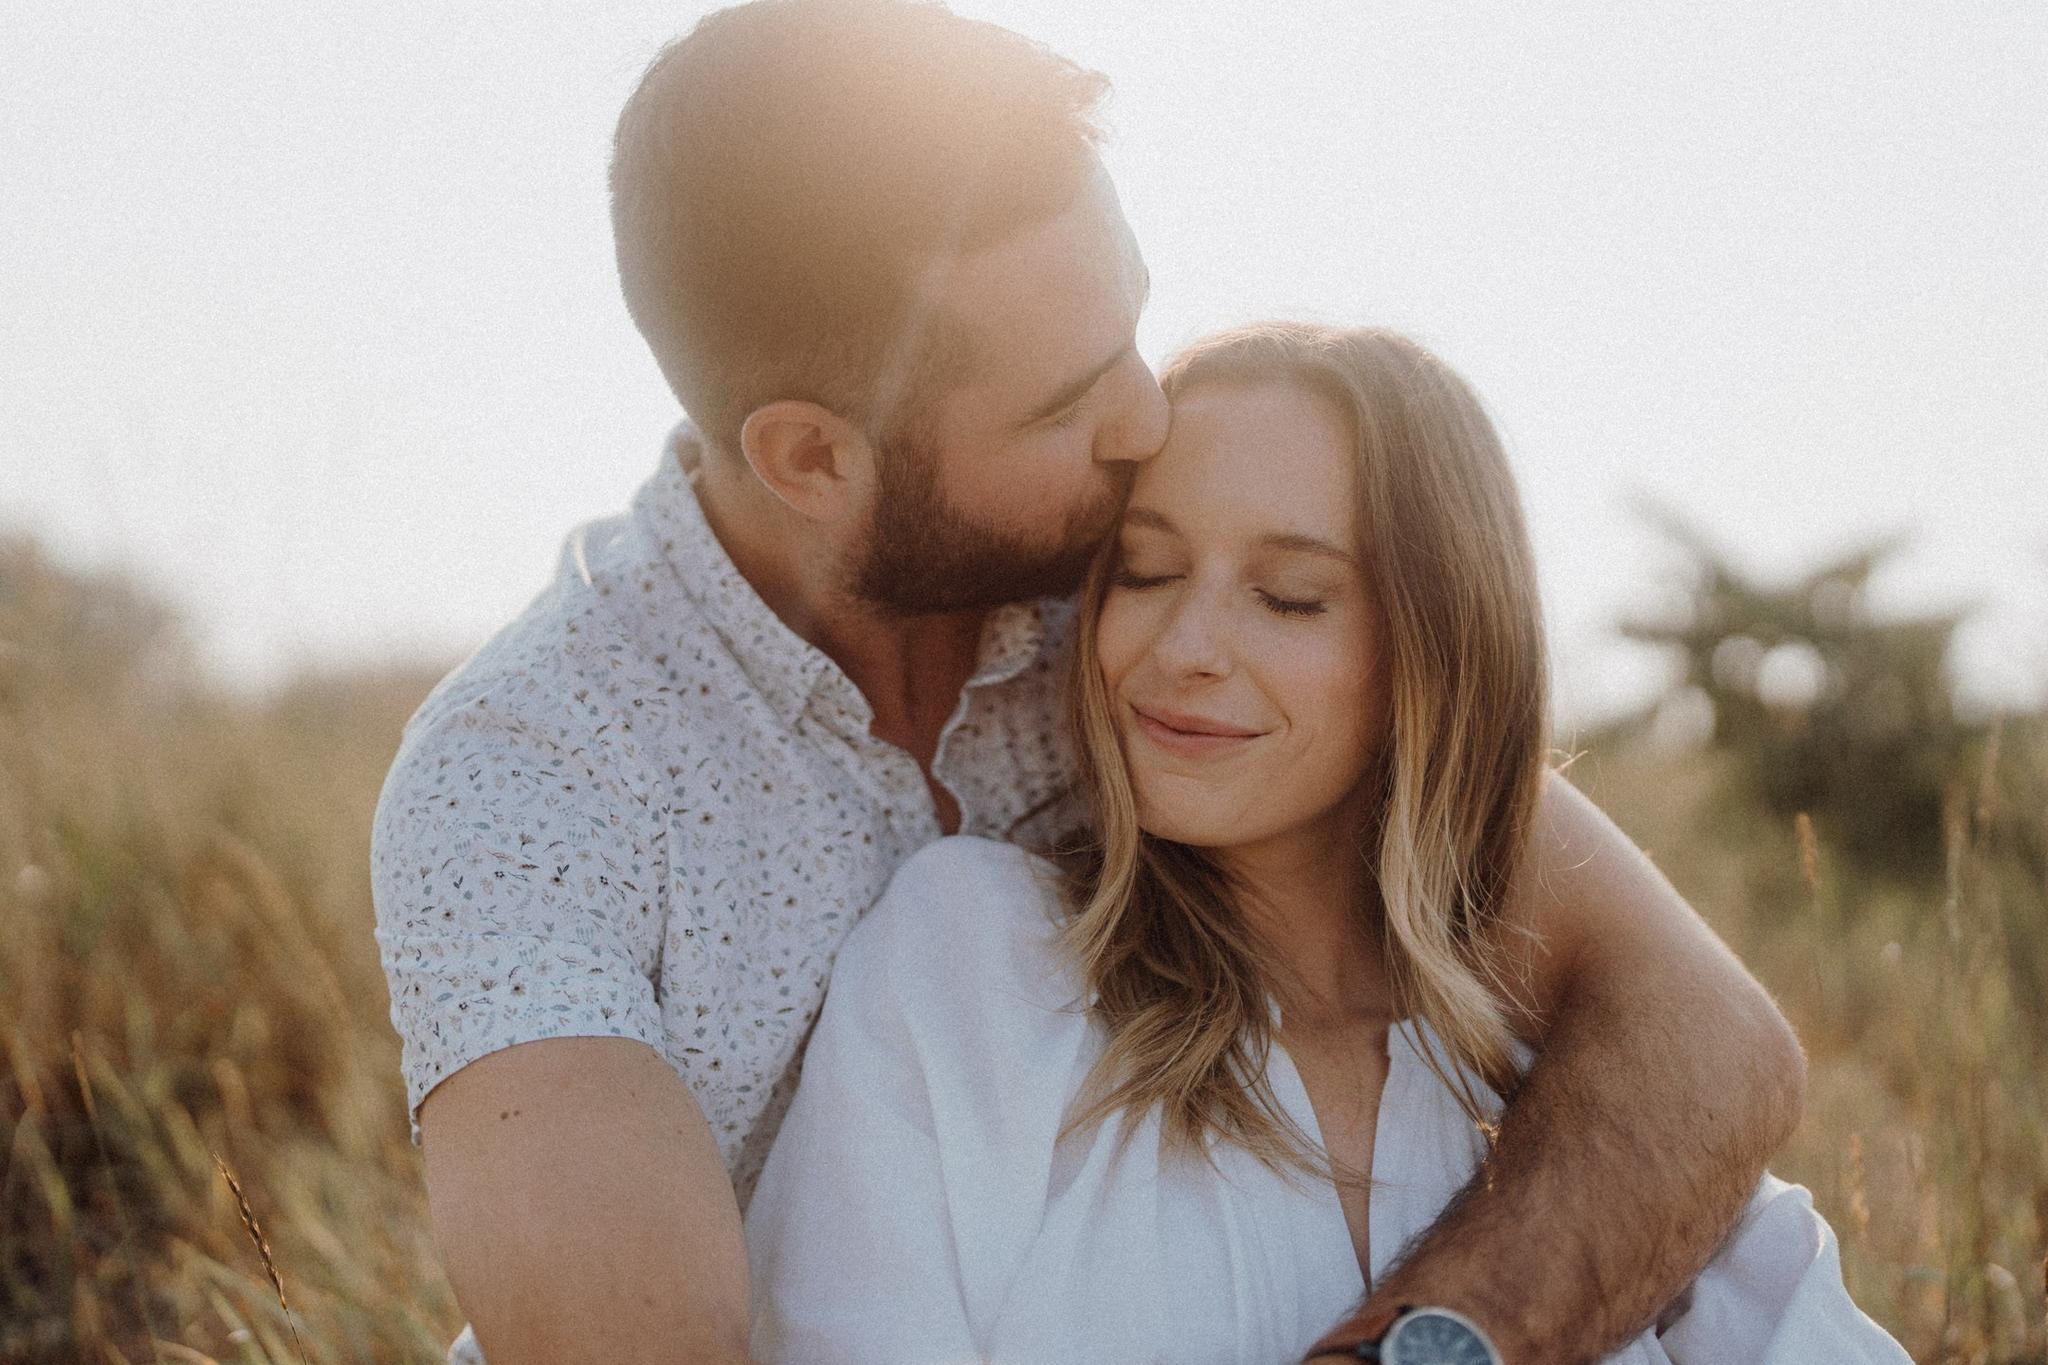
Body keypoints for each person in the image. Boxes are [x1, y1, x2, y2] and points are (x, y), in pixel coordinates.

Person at [368, 4, 1806, 1362]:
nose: (1147, 415)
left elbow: (1706, 1039)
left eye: (1130, 330)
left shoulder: (1154, 602)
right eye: (1067, 401)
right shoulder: (529, 779)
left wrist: (1425, 1341)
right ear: (812, 458)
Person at [744, 322, 1907, 1364]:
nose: (1182, 644)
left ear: (1433, 652)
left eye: (1289, 596)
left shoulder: (1587, 1100)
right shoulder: (971, 961)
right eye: (1144, 572)